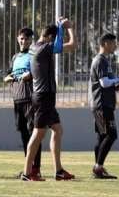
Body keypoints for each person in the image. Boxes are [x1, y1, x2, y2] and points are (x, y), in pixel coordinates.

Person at [22, 18, 77, 181]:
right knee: (38, 133)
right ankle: (27, 173)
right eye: (54, 39)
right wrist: (67, 28)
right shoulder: (43, 48)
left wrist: (61, 28)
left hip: (45, 96)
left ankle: (58, 171)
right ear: (50, 38)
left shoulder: (37, 47)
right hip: (43, 96)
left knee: (57, 130)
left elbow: (71, 46)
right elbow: (63, 45)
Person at [3, 28, 42, 179]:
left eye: (26, 39)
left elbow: (38, 72)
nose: (23, 41)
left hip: (30, 99)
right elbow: (7, 75)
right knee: (24, 135)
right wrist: (8, 78)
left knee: (34, 134)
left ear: (31, 40)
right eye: (21, 38)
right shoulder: (15, 57)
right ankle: (28, 167)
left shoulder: (33, 56)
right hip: (17, 100)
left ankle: (35, 169)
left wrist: (30, 75)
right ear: (17, 39)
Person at [89, 33, 119, 179]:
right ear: (106, 43)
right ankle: (98, 167)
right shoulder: (100, 60)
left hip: (103, 104)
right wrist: (118, 80)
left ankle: (98, 168)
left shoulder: (104, 61)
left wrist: (118, 85)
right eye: (114, 43)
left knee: (102, 136)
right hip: (102, 104)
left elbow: (107, 84)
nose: (115, 46)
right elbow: (103, 83)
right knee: (111, 134)